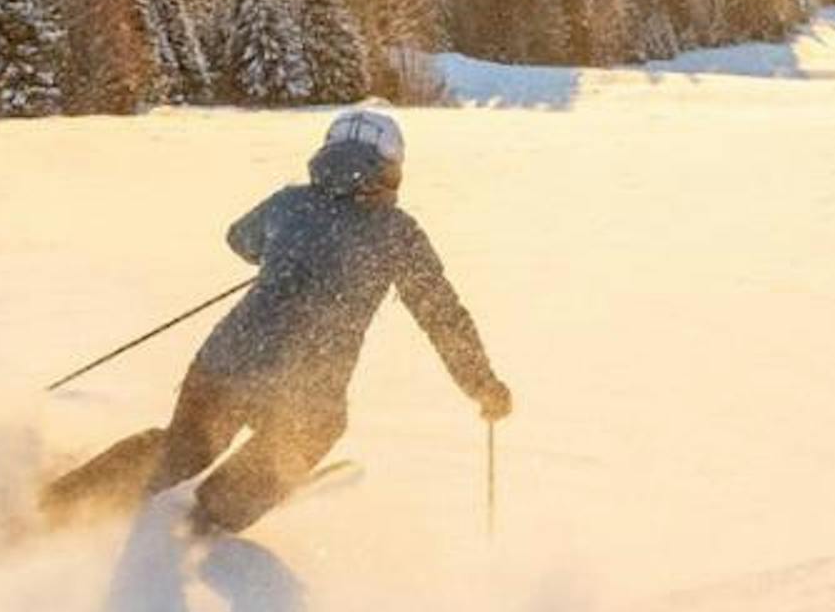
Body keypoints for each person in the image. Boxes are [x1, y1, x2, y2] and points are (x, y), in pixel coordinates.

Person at [53, 107, 512, 534]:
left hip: (223, 363)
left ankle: (57, 505)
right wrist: (482, 385)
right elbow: (442, 316)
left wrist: (282, 252)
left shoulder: (288, 203)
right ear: (392, 168)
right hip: (304, 392)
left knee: (185, 448)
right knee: (316, 428)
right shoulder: (398, 234)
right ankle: (216, 510)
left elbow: (239, 239)